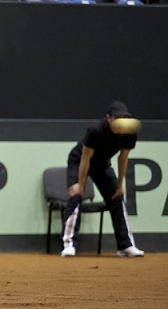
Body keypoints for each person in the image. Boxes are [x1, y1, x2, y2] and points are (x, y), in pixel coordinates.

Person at [61, 101, 144, 258]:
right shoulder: (95, 130)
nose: (122, 121)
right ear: (108, 118)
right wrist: (80, 185)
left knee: (117, 198)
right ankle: (69, 244)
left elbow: (123, 158)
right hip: (79, 161)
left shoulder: (129, 132)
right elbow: (85, 158)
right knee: (76, 195)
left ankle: (126, 246)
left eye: (125, 117)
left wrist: (119, 186)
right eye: (118, 117)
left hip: (102, 165)